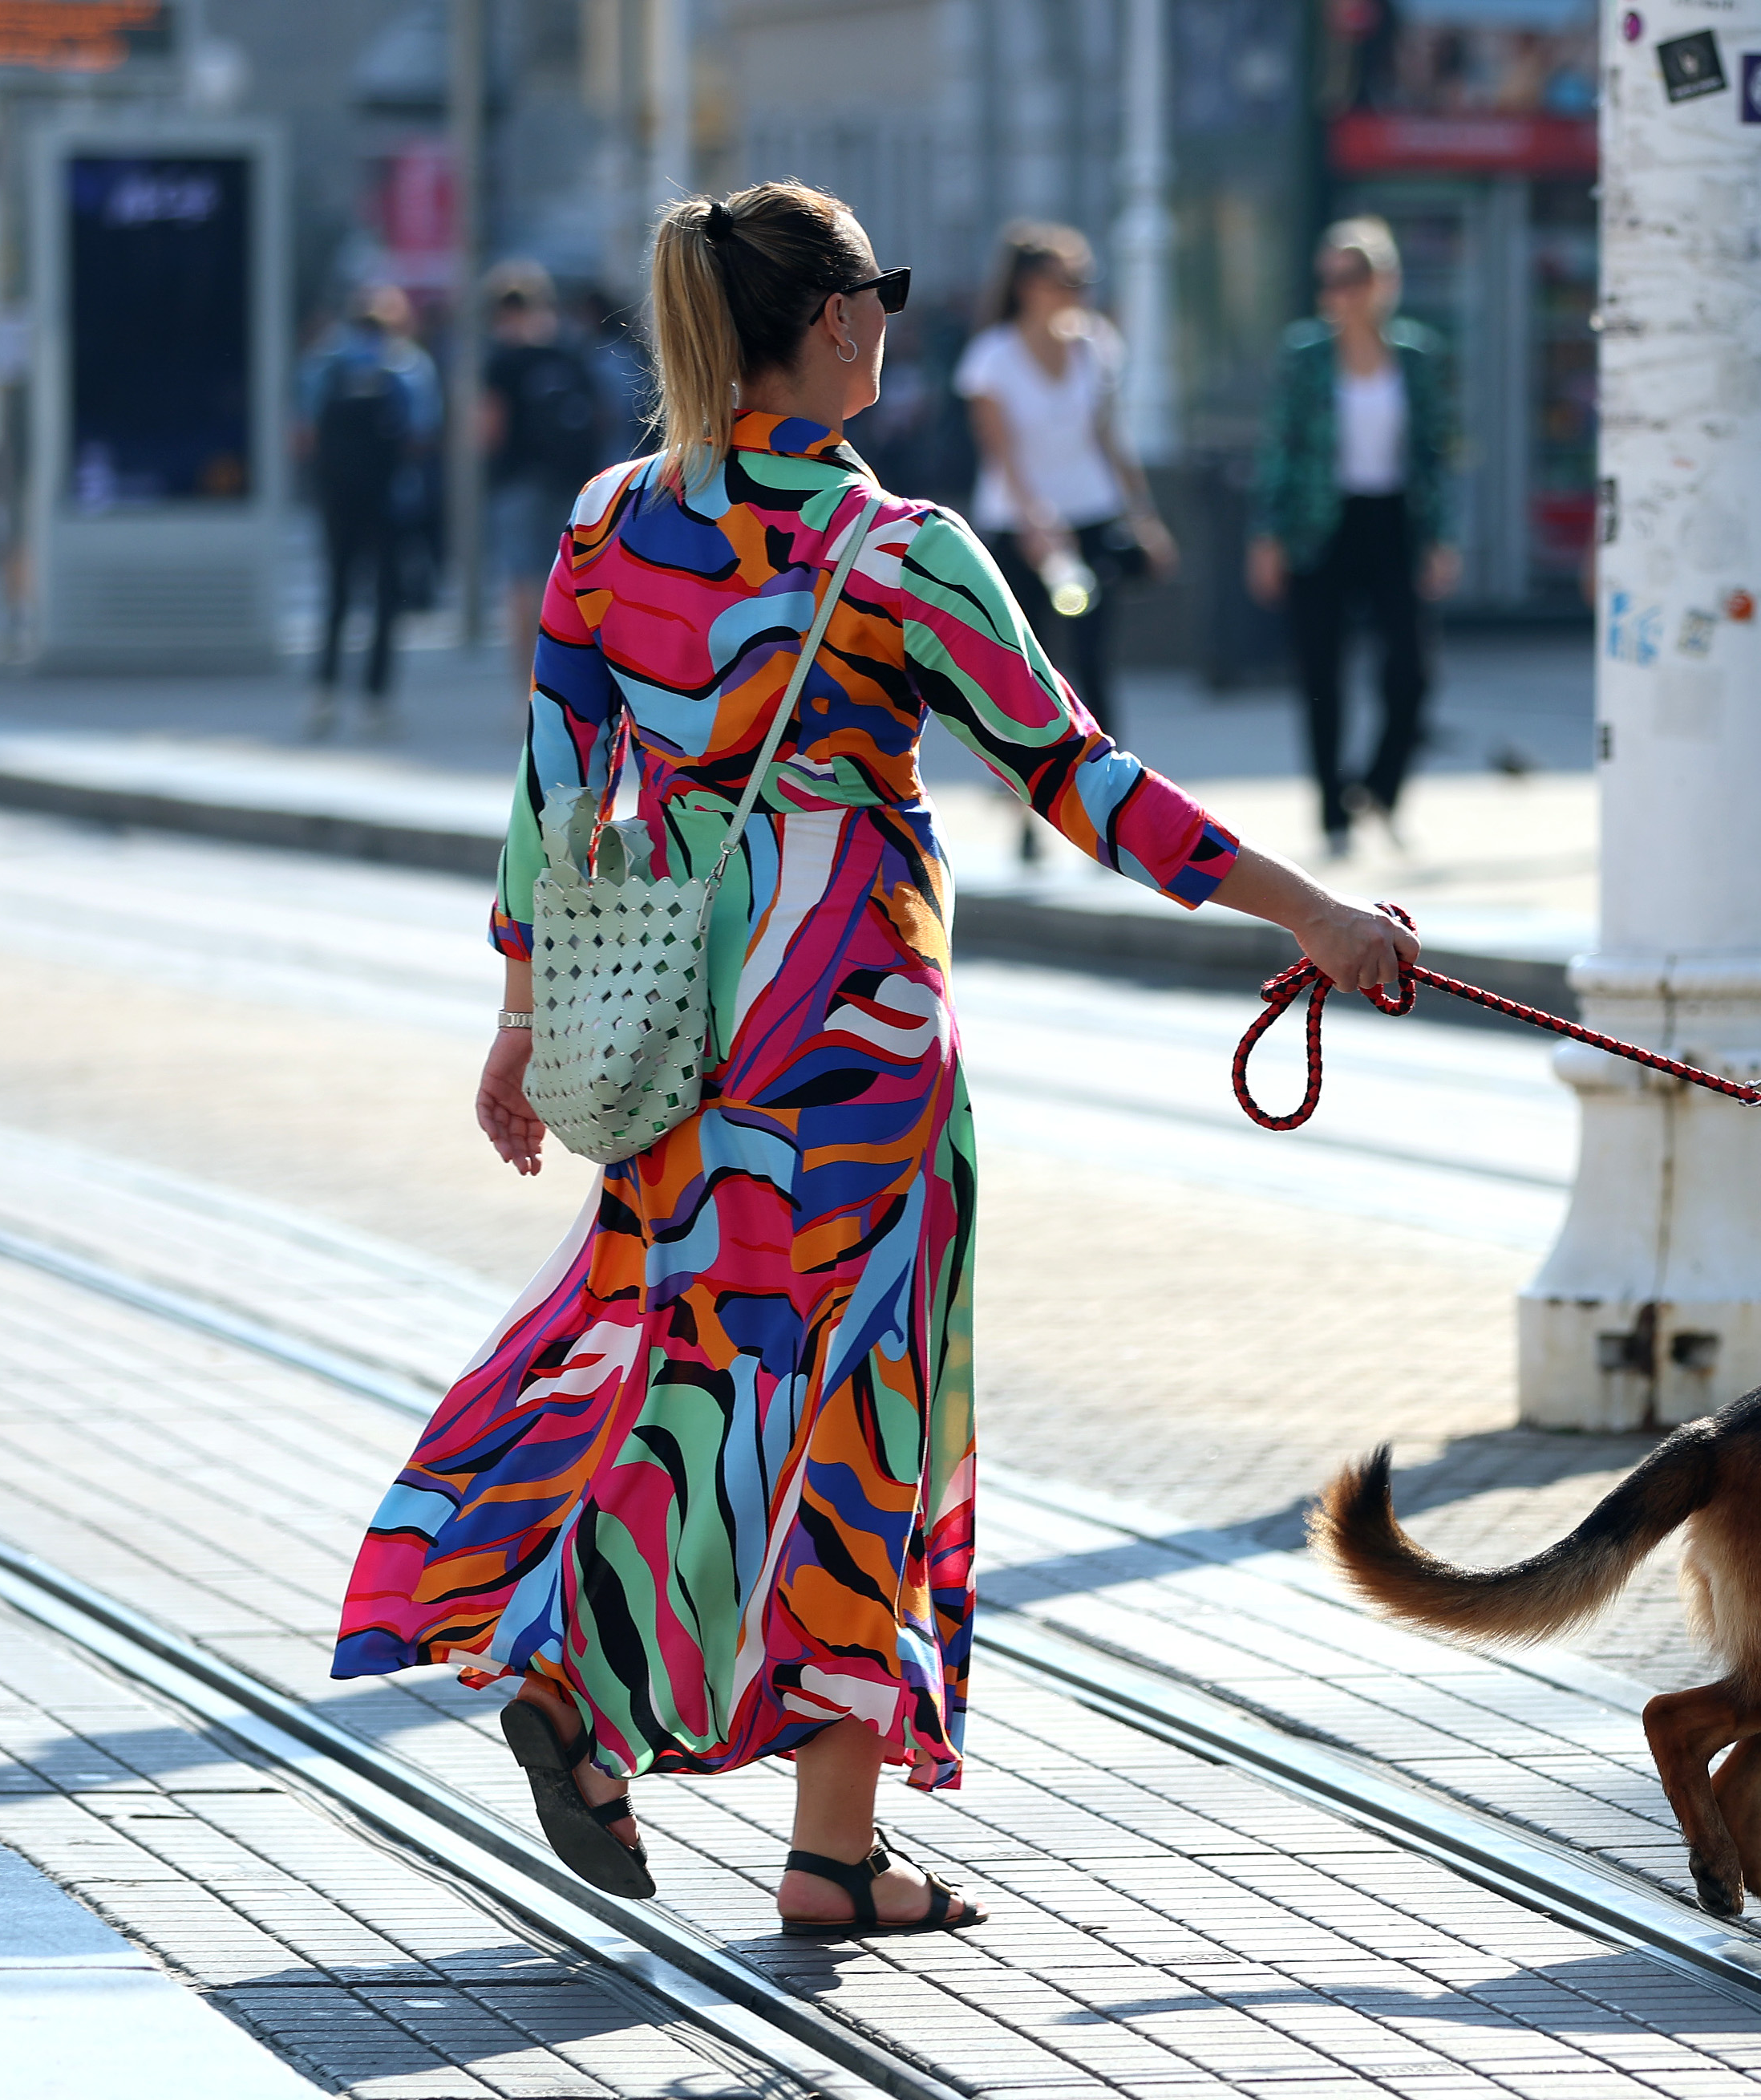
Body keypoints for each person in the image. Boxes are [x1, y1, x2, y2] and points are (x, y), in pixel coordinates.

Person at [330, 180, 1415, 1937]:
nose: (890, 321)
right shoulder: (897, 550)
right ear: (832, 323)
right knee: (863, 1413)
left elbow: (550, 785)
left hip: (679, 1040)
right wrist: (1315, 919)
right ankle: (591, 1692)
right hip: (857, 1045)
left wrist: (523, 1017)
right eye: (879, 295)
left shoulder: (612, 523)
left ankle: (831, 1852)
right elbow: (1082, 783)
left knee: (706, 1358)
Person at [1248, 217, 1458, 859]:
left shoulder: (1418, 355)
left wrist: (1441, 537)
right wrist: (1268, 535)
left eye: (1355, 276)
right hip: (1319, 525)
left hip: (1393, 521)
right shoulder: (1304, 355)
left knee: (1412, 673)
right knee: (1322, 673)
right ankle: (1332, 813)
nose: (1341, 290)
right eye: (1331, 278)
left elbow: (1433, 450)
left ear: (1384, 280)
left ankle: (1378, 787)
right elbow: (1280, 447)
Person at [956, 223, 1176, 753]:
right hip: (1020, 526)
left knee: (1093, 655)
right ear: (1029, 286)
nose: (1079, 292)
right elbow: (1000, 453)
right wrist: (1035, 522)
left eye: (1084, 280)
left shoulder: (1096, 345)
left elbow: (1108, 437)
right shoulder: (993, 357)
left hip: (1093, 515)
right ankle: (1024, 788)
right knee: (1025, 663)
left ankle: (1107, 778)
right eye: (1068, 280)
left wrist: (1144, 515)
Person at [297, 285, 440, 739]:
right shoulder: (409, 365)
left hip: (340, 497)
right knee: (386, 596)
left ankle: (324, 693)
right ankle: (376, 699)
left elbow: (303, 432)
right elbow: (423, 431)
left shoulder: (326, 361)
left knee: (337, 590)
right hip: (391, 496)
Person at [481, 263, 606, 661]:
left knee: (522, 580)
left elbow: (489, 428)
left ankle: (526, 686)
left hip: (519, 480)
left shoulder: (502, 360)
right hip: (573, 482)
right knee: (572, 581)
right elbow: (600, 415)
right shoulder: (569, 352)